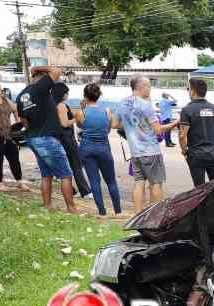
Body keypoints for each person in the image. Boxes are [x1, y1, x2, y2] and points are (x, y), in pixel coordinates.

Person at [16, 66, 75, 212]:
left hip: (33, 138)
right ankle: (71, 209)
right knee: (66, 175)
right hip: (47, 138)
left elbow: (23, 120)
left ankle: (47, 205)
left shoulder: (21, 96)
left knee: (46, 175)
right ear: (42, 77)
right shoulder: (39, 88)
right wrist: (37, 68)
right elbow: (56, 70)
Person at [117, 75, 178, 213]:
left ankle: (138, 214)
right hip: (150, 151)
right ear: (140, 87)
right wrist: (174, 124)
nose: (150, 89)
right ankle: (156, 214)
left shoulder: (122, 103)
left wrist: (131, 125)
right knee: (156, 183)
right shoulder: (146, 105)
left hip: (135, 152)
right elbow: (157, 130)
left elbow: (115, 124)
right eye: (148, 86)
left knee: (138, 183)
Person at [74, 82, 124, 217]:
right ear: (99, 95)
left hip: (87, 147)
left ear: (85, 96)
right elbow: (108, 129)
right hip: (103, 147)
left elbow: (80, 127)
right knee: (111, 181)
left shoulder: (80, 113)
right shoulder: (107, 111)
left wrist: (82, 108)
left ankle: (102, 213)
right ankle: (118, 212)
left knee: (94, 181)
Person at [179, 77, 214, 187]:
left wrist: (184, 151)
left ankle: (202, 204)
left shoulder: (187, 110)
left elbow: (182, 135)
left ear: (192, 91)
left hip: (195, 155)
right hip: (213, 155)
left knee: (199, 188)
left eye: (189, 89)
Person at [51, 82, 91, 199]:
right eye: (66, 92)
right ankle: (85, 191)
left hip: (59, 138)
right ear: (62, 94)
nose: (67, 95)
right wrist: (76, 118)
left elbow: (69, 116)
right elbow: (65, 123)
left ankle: (72, 190)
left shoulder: (52, 105)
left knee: (65, 166)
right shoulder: (61, 105)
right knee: (76, 165)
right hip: (66, 138)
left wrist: (80, 109)